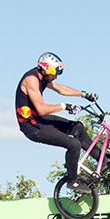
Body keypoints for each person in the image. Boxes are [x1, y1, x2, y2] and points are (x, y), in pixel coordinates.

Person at [15, 53, 99, 186]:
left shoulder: (42, 77)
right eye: (54, 74)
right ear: (45, 70)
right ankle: (73, 181)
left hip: (40, 120)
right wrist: (64, 106)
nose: (55, 77)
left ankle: (102, 160)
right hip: (32, 127)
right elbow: (41, 108)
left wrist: (83, 94)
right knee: (74, 145)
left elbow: (60, 89)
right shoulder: (31, 80)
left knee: (77, 127)